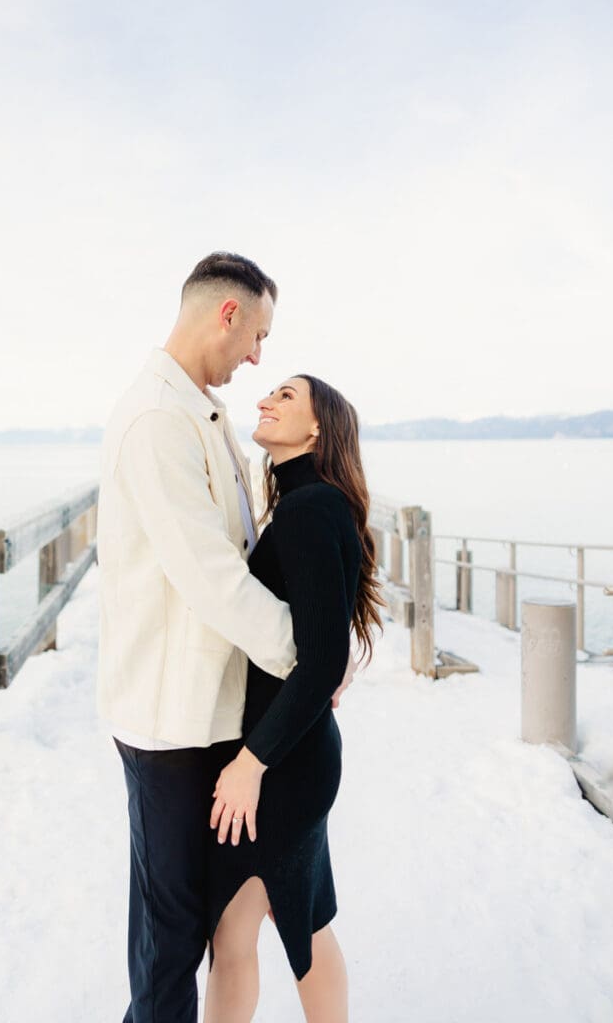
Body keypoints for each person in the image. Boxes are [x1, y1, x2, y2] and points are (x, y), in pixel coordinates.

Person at [96, 253, 352, 1023]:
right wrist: (305, 655)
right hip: (171, 722)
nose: (257, 361)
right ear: (228, 314)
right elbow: (212, 575)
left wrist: (305, 672)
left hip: (219, 723)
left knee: (213, 927)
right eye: (259, 337)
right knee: (177, 937)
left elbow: (249, 566)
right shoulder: (158, 420)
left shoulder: (199, 416)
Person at [204, 374, 386, 1023]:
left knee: (233, 936)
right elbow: (323, 638)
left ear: (316, 428)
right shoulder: (310, 502)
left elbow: (324, 658)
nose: (264, 400)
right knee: (297, 918)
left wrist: (249, 764)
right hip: (297, 752)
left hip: (281, 764)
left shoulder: (310, 510)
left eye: (284, 395)